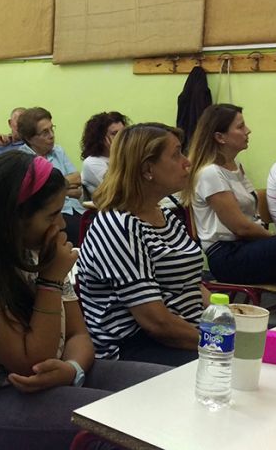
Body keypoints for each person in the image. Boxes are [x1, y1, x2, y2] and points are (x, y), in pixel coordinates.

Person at [0, 151, 169, 449]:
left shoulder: (35, 250)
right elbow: (31, 363)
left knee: (169, 389)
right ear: (13, 217)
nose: (61, 224)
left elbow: (79, 334)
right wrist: (50, 280)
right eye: (51, 215)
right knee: (124, 426)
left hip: (56, 374)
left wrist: (72, 369)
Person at [78, 123, 203, 367]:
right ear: (148, 169)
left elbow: (192, 283)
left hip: (184, 332)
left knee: (265, 337)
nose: (187, 162)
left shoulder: (163, 215)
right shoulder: (118, 225)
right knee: (242, 363)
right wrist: (218, 342)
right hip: (135, 347)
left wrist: (229, 315)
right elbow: (156, 323)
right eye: (176, 154)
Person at [183, 104, 276, 285]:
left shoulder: (236, 166)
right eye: (240, 127)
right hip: (228, 257)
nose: (248, 131)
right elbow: (241, 228)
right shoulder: (211, 173)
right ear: (220, 137)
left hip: (248, 246)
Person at [18, 107, 84, 244]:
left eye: (52, 129)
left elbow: (77, 180)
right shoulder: (23, 159)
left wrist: (54, 189)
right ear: (30, 138)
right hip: (53, 217)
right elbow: (37, 197)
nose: (52, 135)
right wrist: (66, 189)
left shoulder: (58, 151)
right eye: (45, 132)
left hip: (76, 209)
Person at [80, 111, 128, 198]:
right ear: (101, 138)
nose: (121, 137)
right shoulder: (92, 162)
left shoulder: (127, 155)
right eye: (115, 134)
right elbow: (120, 189)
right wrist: (115, 153)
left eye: (123, 132)